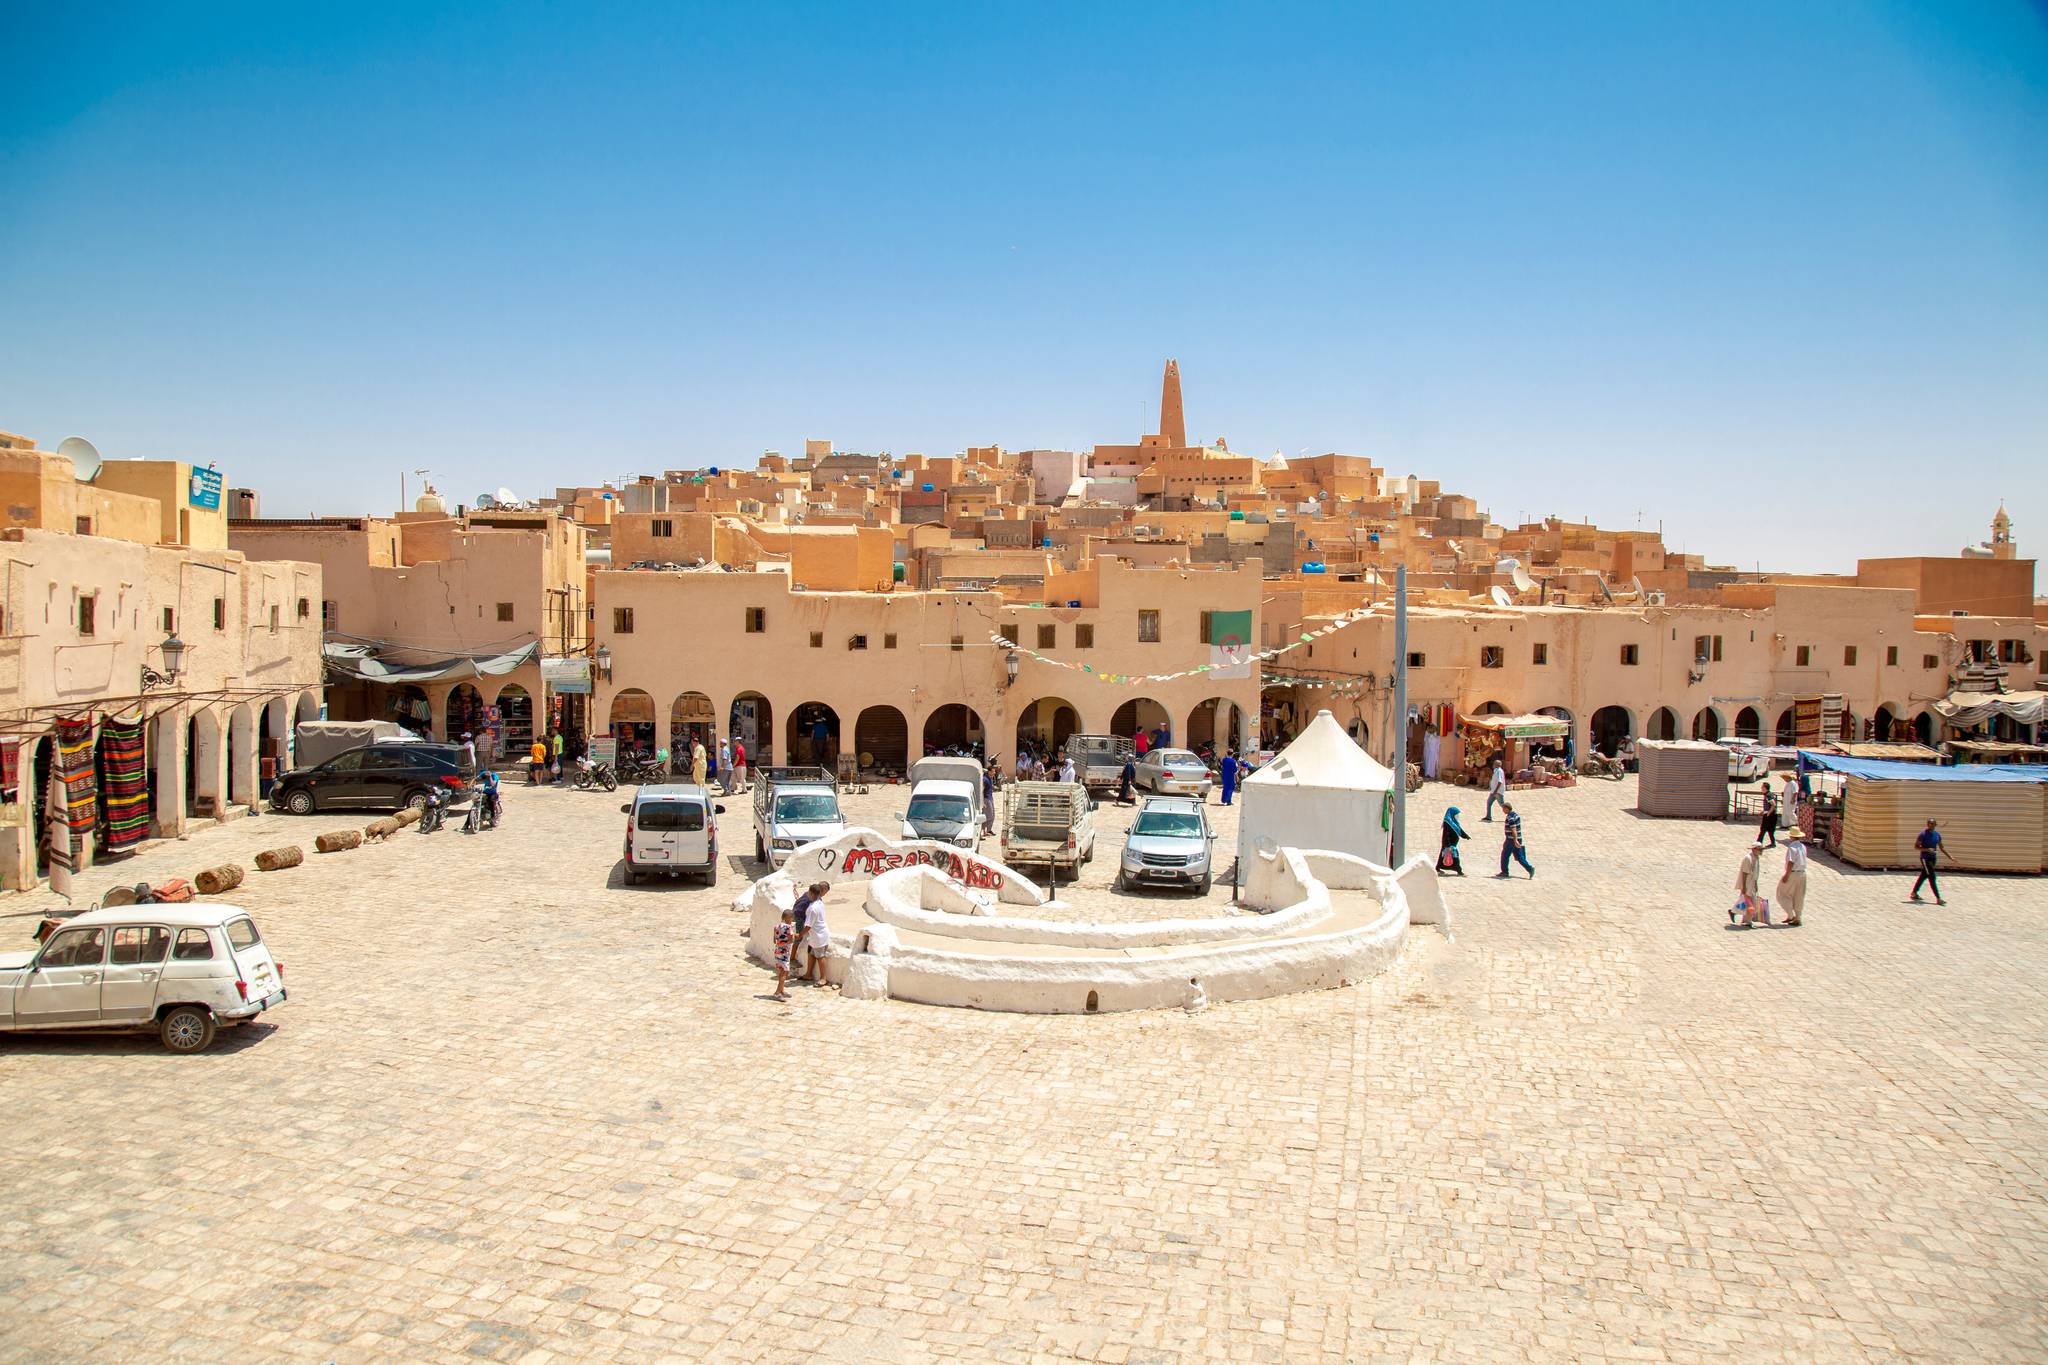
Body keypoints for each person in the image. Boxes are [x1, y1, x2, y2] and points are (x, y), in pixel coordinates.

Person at [1910, 818, 1953, 904]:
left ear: (1935, 825)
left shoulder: (1937, 835)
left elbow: (1941, 847)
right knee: (1932, 877)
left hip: (1933, 858)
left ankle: (1914, 893)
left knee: (1924, 875)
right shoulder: (1923, 834)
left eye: (1932, 824)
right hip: (1925, 858)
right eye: (1929, 823)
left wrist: (1950, 857)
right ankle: (1938, 898)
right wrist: (1927, 849)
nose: (1930, 825)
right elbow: (1916, 847)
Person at [1776, 829, 1808, 927]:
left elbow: (1791, 862)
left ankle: (1791, 915)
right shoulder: (1802, 846)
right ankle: (1798, 917)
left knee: (1781, 893)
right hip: (1802, 873)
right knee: (1799, 895)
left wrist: (1787, 875)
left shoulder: (1792, 847)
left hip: (1793, 873)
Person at [1733, 840, 1768, 926]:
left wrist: (1756, 884)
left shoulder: (1756, 858)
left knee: (1748, 902)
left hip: (1752, 883)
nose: (1761, 851)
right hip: (1748, 883)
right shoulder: (1748, 858)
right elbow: (1745, 873)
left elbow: (1755, 873)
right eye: (1760, 849)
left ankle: (1740, 916)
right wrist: (1744, 886)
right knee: (1750, 903)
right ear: (1754, 849)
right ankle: (1746, 920)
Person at [1496, 799, 1533, 878]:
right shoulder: (1515, 815)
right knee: (1519, 857)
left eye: (1503, 809)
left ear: (1507, 808)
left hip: (1511, 840)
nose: (1503, 810)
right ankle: (1530, 869)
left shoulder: (1510, 818)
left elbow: (1513, 829)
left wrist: (1515, 840)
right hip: (1518, 839)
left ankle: (1505, 872)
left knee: (1505, 856)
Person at [771, 907, 795, 1001]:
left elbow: (774, 940)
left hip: (778, 951)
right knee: (784, 972)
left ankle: (781, 990)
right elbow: (791, 940)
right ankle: (777, 992)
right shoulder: (789, 928)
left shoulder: (776, 927)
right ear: (789, 918)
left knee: (781, 971)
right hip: (785, 953)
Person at [1437, 806, 1468, 876]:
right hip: (1449, 844)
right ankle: (1459, 871)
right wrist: (1448, 845)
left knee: (1442, 856)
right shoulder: (1448, 823)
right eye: (1457, 814)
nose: (1458, 816)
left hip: (1450, 844)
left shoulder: (1454, 822)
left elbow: (1459, 829)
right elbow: (1446, 834)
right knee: (1455, 858)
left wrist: (1465, 836)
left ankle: (1438, 868)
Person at [1757, 784, 1779, 849]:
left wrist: (1768, 813)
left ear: (1765, 788)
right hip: (1772, 815)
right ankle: (1773, 843)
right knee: (1770, 830)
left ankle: (1758, 843)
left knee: (1763, 829)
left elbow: (1773, 804)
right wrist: (1763, 811)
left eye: (1762, 787)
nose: (1761, 788)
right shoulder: (1769, 794)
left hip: (1770, 816)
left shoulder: (1768, 795)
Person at [982, 767, 996, 835]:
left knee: (993, 815)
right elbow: (981, 790)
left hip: (990, 798)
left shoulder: (990, 778)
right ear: (989, 772)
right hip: (986, 799)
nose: (994, 773)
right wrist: (982, 801)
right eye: (993, 771)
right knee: (989, 815)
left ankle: (989, 830)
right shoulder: (984, 779)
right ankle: (982, 829)